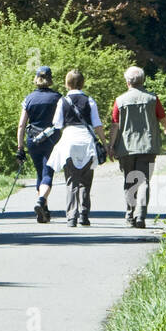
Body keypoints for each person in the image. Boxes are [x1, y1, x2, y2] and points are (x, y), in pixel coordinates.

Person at [108, 66, 166, 228]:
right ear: (143, 81)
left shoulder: (120, 100)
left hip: (126, 147)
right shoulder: (152, 99)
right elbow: (162, 117)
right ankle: (140, 215)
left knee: (130, 180)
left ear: (127, 82)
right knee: (143, 181)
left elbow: (115, 125)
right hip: (147, 146)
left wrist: (111, 145)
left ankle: (130, 214)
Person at [46, 69, 106, 227]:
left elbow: (57, 124)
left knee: (71, 181)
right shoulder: (89, 100)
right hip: (87, 142)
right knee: (85, 181)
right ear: (83, 83)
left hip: (69, 142)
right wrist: (106, 144)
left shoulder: (63, 101)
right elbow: (97, 124)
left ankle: (71, 217)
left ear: (67, 83)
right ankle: (84, 215)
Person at [16, 66, 61, 222]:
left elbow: (21, 125)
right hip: (51, 140)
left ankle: (44, 211)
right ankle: (41, 200)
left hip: (33, 140)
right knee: (48, 173)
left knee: (39, 173)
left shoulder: (29, 99)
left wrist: (20, 147)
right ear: (50, 79)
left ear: (36, 78)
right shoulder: (57, 98)